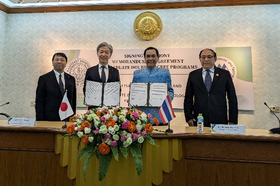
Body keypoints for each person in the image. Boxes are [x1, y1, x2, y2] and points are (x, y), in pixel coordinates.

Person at [184, 48, 238, 127]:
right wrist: (189, 117)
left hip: (220, 118)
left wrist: (233, 120)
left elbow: (232, 97)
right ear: (200, 59)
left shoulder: (224, 74)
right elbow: (188, 98)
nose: (206, 59)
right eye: (203, 57)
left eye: (209, 57)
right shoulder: (193, 75)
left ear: (215, 59)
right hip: (199, 119)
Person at [132, 47, 174, 125]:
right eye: (148, 56)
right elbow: (133, 93)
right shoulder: (137, 74)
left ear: (158, 58)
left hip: (160, 117)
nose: (150, 58)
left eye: (153, 56)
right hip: (141, 118)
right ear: (144, 58)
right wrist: (132, 101)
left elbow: (171, 91)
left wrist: (166, 102)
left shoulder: (165, 73)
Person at [36, 53, 76, 121]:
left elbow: (73, 100)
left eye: (62, 60)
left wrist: (73, 117)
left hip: (67, 118)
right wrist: (40, 120)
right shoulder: (44, 79)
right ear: (52, 62)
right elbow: (39, 101)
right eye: (57, 59)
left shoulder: (71, 79)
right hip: (49, 118)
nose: (59, 62)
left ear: (66, 63)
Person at [83, 42, 120, 109]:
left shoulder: (115, 71)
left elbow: (118, 89)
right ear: (97, 53)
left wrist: (115, 101)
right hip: (93, 108)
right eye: (101, 52)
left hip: (110, 109)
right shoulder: (90, 71)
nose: (103, 54)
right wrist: (87, 99)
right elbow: (85, 88)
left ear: (110, 55)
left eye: (106, 52)